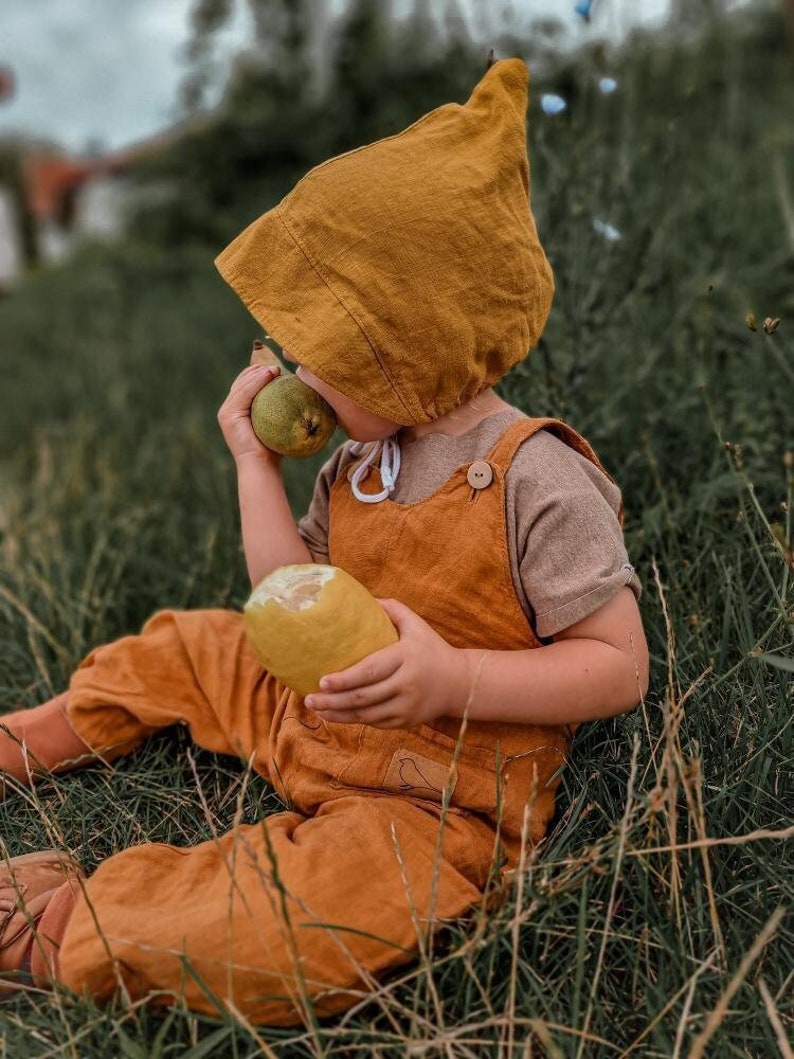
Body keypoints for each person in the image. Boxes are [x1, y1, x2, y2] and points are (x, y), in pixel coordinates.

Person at [0, 58, 648, 1023]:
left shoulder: (534, 477)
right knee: (187, 644)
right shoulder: (359, 463)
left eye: (322, 350)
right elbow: (284, 600)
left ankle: (63, 923)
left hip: (436, 794)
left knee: (304, 923)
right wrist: (253, 467)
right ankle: (27, 743)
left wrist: (451, 682)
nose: (295, 371)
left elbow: (617, 665)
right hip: (315, 710)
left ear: (406, 342)